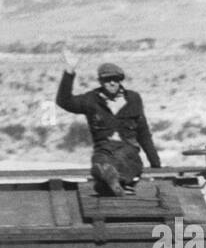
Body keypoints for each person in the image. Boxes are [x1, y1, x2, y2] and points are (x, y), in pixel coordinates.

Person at [55, 48, 161, 197]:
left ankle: (110, 183)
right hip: (103, 149)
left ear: (120, 80)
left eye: (116, 79)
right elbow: (64, 101)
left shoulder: (133, 99)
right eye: (107, 80)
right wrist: (69, 71)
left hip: (128, 150)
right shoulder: (91, 100)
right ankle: (112, 182)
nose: (112, 83)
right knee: (101, 162)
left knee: (121, 160)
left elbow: (144, 134)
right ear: (101, 81)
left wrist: (156, 165)